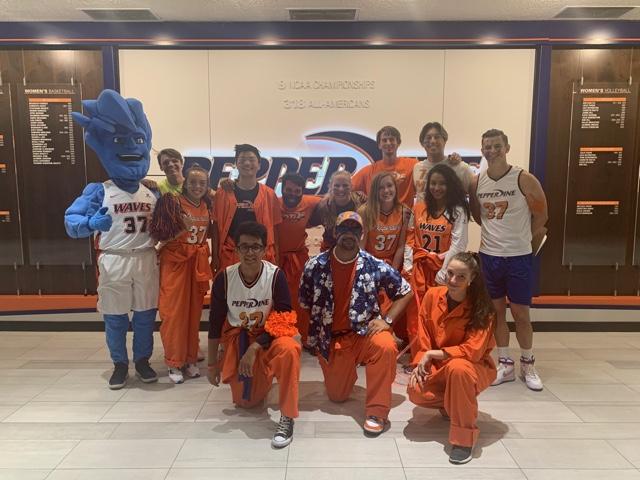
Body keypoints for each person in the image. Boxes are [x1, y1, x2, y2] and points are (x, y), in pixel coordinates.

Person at [64, 89, 158, 389]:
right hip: (115, 258)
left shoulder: (152, 192)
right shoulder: (99, 190)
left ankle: (142, 361)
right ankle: (119, 364)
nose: (131, 147)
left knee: (145, 317)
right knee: (115, 319)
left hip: (145, 257)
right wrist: (91, 222)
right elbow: (71, 222)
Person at [299, 211, 413, 435]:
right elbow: (305, 304)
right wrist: (310, 341)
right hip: (333, 340)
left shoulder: (373, 264)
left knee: (385, 346)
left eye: (354, 230)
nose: (348, 234)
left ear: (361, 234)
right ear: (335, 232)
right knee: (337, 396)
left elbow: (405, 291)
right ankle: (346, 372)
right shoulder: (315, 265)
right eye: (344, 229)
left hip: (365, 334)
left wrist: (387, 320)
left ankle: (377, 411)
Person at [207, 221, 301, 448]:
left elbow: (284, 318)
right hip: (238, 337)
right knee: (246, 403)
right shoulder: (224, 278)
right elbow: (215, 322)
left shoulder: (275, 275)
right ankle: (262, 376)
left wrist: (255, 347)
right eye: (245, 247)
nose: (250, 252)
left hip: (268, 336)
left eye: (256, 247)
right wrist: (212, 364)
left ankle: (287, 416)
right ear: (236, 249)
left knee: (290, 348)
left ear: (265, 249)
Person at [469, 129, 548, 391]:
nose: (492, 150)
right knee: (496, 312)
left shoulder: (523, 178)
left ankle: (528, 363)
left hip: (518, 257)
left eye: (497, 146)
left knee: (521, 313)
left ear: (507, 147)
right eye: (487, 146)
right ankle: (505, 363)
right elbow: (478, 216)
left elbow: (541, 217)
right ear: (482, 150)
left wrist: (523, 243)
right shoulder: (477, 182)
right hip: (489, 257)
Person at [407, 252, 496, 465]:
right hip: (440, 366)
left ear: (472, 279)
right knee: (416, 393)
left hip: (472, 368)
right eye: (450, 273)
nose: (453, 280)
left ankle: (464, 439)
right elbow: (423, 335)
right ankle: (452, 404)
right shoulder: (432, 295)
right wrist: (422, 361)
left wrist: (433, 354)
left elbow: (472, 351)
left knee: (458, 368)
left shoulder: (483, 308)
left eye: (461, 277)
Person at [150, 165, 213, 384]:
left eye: (202, 183)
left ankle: (189, 357)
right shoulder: (172, 202)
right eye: (193, 182)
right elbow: (160, 236)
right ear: (185, 182)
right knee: (173, 315)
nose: (197, 187)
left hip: (196, 265)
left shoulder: (206, 204)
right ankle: (173, 362)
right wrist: (180, 229)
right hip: (175, 263)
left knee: (193, 314)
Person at [358, 171, 412, 341]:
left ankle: (394, 336)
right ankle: (369, 342)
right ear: (375, 191)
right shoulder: (365, 211)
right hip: (370, 264)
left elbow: (402, 245)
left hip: (392, 264)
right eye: (381, 188)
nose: (386, 190)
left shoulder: (404, 211)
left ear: (395, 188)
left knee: (400, 299)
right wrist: (369, 272)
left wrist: (392, 271)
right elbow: (361, 246)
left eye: (389, 186)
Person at [212, 144, 282, 273]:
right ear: (236, 164)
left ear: (259, 165)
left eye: (251, 159)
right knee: (230, 291)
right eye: (242, 159)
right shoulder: (222, 193)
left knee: (261, 292)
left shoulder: (269, 194)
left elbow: (276, 229)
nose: (247, 163)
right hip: (230, 253)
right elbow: (216, 227)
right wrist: (215, 256)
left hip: (261, 254)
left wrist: (277, 256)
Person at [407, 163, 470, 303]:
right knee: (416, 313)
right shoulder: (418, 207)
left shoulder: (458, 210)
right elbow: (410, 238)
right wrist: (408, 265)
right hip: (419, 269)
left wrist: (444, 272)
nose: (436, 188)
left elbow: (459, 245)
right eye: (433, 183)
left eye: (442, 184)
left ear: (450, 185)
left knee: (439, 311)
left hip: (443, 266)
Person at [276, 172, 322, 348]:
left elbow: (331, 198)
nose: (292, 194)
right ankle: (281, 335)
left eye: (297, 191)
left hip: (299, 258)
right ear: (282, 188)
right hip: (277, 257)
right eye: (289, 189)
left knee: (301, 300)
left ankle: (303, 336)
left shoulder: (310, 202)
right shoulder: (273, 202)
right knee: (279, 298)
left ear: (302, 191)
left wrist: (358, 195)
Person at [352, 126, 417, 206]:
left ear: (398, 143)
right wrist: (358, 194)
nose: (388, 143)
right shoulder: (369, 171)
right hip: (377, 217)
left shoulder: (412, 165)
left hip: (404, 216)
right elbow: (347, 189)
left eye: (392, 139)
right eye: (384, 140)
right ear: (379, 145)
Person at [309, 170, 366, 251]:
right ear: (330, 187)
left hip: (353, 249)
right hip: (330, 250)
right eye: (336, 185)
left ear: (351, 186)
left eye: (345, 185)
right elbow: (307, 224)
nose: (341, 189)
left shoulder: (361, 202)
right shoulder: (324, 206)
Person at [413, 122, 472, 199]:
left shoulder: (460, 167)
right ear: (422, 143)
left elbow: (475, 194)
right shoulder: (417, 167)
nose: (433, 141)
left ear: (444, 141)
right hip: (421, 211)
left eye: (437, 137)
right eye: (428, 137)